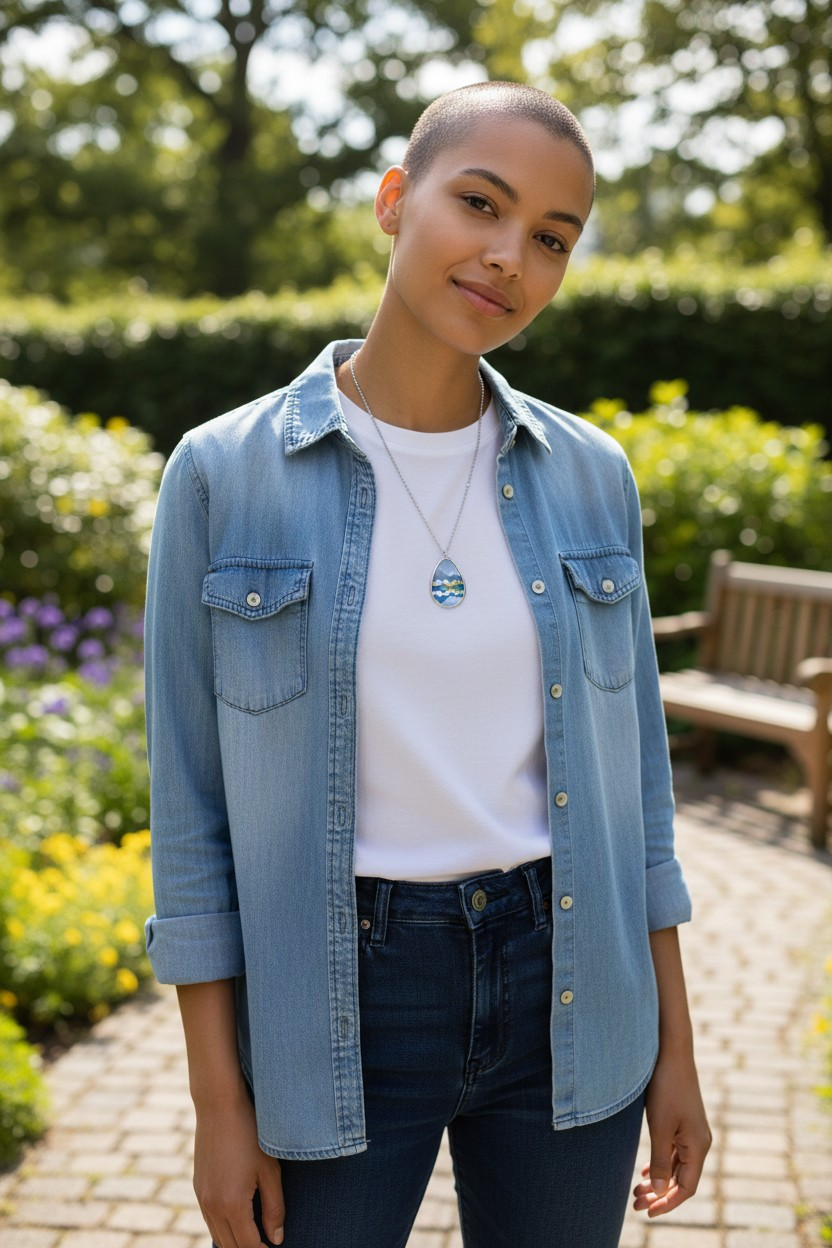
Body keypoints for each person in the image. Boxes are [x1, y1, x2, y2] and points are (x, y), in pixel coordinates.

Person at [144, 80, 711, 1248]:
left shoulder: (590, 475)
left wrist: (674, 1052)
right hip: (338, 1005)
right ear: (396, 201)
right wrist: (217, 1103)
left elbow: (635, 790)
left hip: (569, 981)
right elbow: (191, 809)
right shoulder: (222, 473)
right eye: (480, 204)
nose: (510, 257)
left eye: (551, 239)